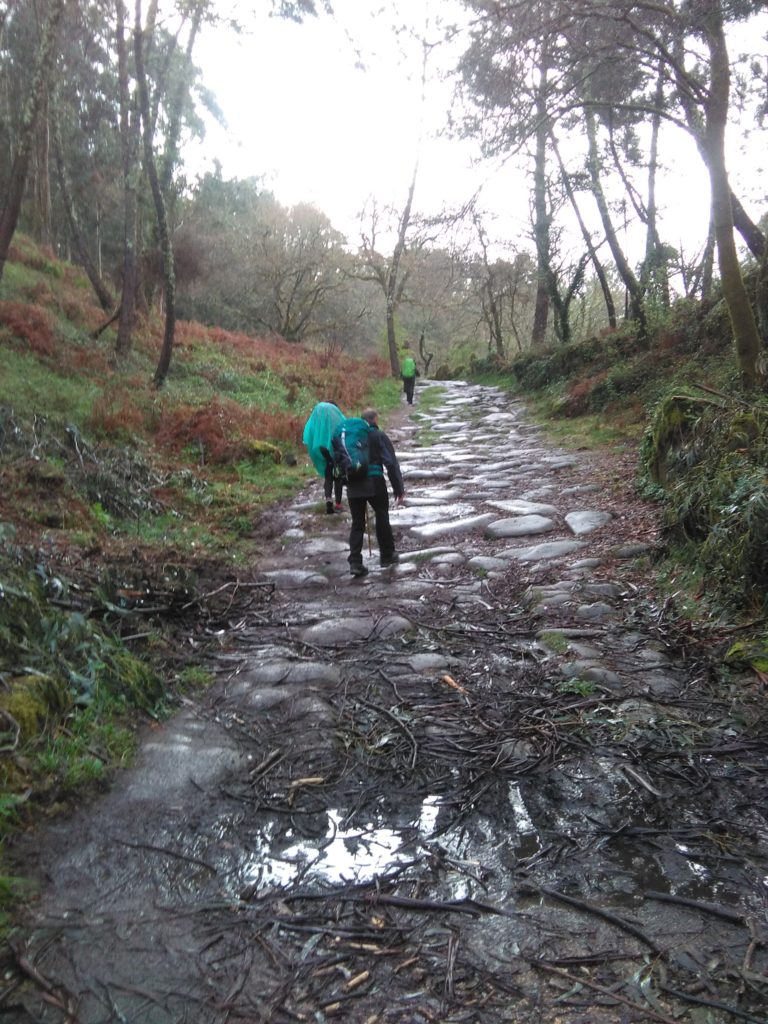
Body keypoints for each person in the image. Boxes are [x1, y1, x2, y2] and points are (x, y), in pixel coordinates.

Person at [333, 408, 405, 577]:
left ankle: (356, 562)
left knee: (357, 523)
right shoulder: (378, 435)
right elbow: (391, 463)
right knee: (381, 516)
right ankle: (387, 555)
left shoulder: (352, 436)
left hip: (354, 484)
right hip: (374, 482)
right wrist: (398, 488)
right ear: (375, 419)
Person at [302, 401, 345, 513]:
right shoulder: (336, 420)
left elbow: (309, 434)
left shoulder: (319, 421)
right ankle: (338, 504)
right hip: (335, 450)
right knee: (338, 477)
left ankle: (328, 498)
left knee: (328, 475)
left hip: (322, 450)